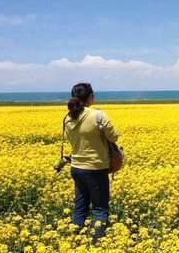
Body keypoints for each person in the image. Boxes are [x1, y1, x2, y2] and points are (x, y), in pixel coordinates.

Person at [64, 83, 119, 239]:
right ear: (90, 97)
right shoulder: (97, 115)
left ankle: (75, 240)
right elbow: (114, 137)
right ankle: (96, 243)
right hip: (95, 168)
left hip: (76, 167)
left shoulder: (68, 117)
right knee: (100, 209)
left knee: (80, 207)